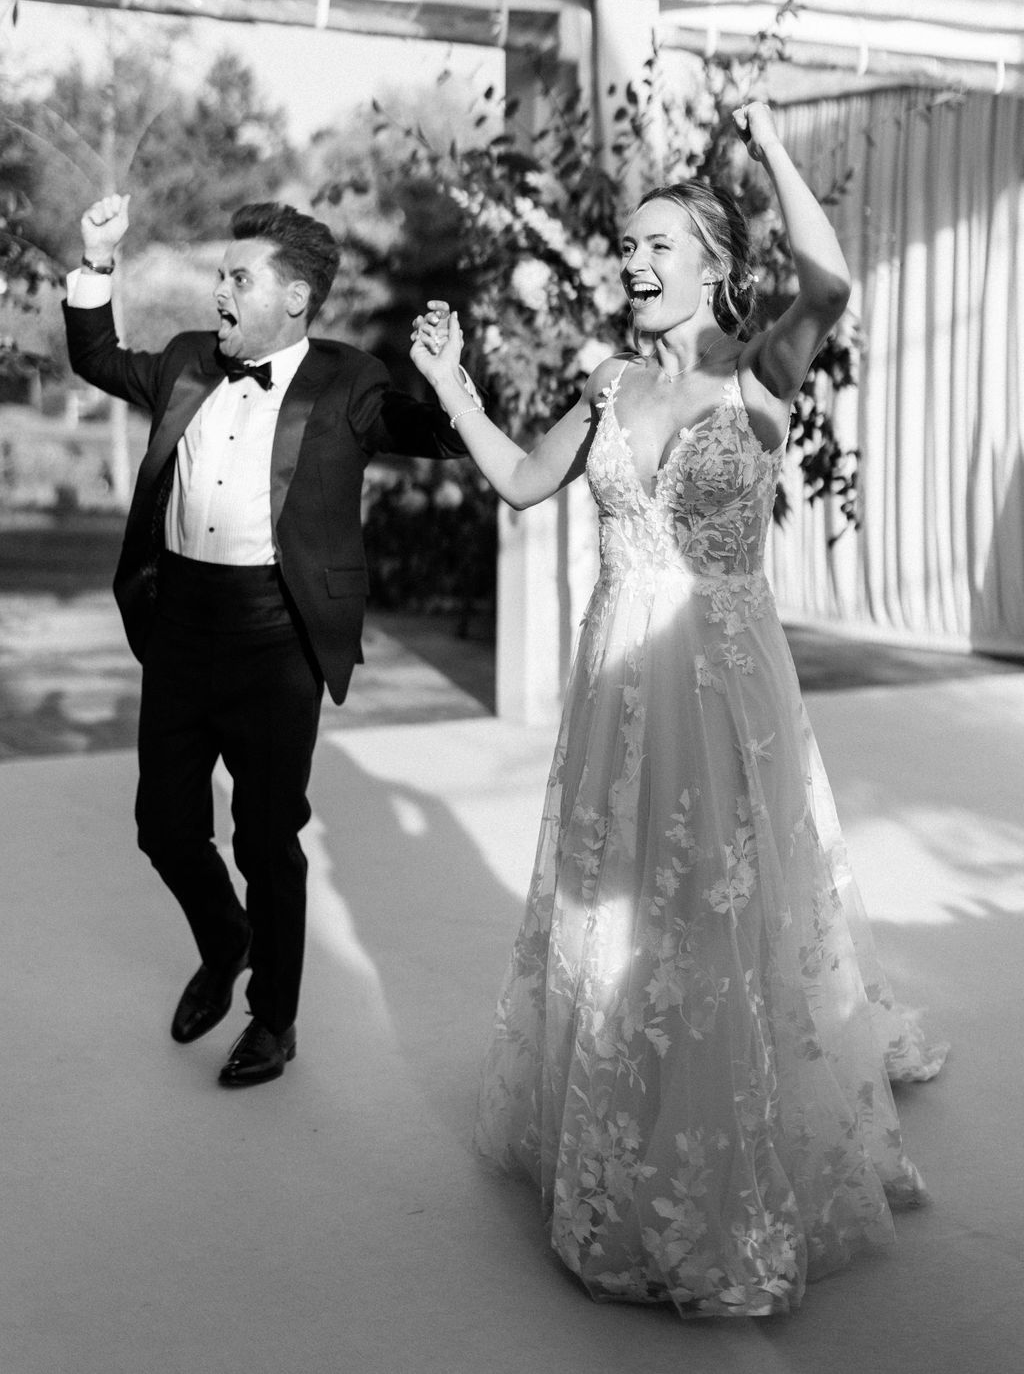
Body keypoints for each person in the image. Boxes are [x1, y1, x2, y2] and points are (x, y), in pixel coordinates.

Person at [411, 102, 946, 1315]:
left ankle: (724, 1177)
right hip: (616, 687)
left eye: (657, 245)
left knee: (713, 909)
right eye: (627, 247)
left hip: (716, 678)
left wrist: (764, 146)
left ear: (713, 261)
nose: (632, 263)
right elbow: (517, 480)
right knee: (616, 908)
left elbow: (832, 276)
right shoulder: (605, 381)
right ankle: (613, 1133)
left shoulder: (755, 372)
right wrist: (449, 385)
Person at [64, 193, 464, 1087]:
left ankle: (273, 1022)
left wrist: (449, 380)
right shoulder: (183, 363)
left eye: (238, 278)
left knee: (265, 838)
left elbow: (435, 436)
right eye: (221, 275)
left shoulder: (348, 379)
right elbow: (93, 354)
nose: (220, 293)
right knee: (163, 825)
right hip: (178, 622)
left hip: (278, 633)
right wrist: (97, 260)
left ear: (294, 298)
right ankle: (225, 937)